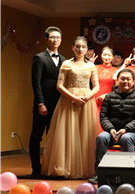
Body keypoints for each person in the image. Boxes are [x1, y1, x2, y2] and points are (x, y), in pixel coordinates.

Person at [41, 36, 99, 179]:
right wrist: (74, 98)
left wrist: (86, 97)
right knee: (68, 133)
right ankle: (66, 168)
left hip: (86, 101)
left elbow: (96, 86)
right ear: (73, 47)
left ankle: (84, 169)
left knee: (85, 134)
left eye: (83, 47)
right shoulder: (66, 64)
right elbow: (59, 86)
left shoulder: (91, 66)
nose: (80, 49)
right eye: (77, 46)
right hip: (68, 101)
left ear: (87, 49)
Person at [92, 68, 135, 181]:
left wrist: (126, 129)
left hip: (132, 133)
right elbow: (103, 117)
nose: (125, 81)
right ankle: (100, 174)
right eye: (122, 79)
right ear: (117, 81)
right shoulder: (109, 97)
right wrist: (110, 129)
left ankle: (127, 174)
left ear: (133, 81)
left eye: (128, 79)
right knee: (101, 137)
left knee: (126, 138)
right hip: (112, 132)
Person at [29, 26, 66, 177]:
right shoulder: (39, 58)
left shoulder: (64, 60)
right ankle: (36, 169)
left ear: (61, 40)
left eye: (58, 37)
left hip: (58, 104)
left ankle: (51, 168)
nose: (55, 40)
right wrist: (40, 103)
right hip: (43, 104)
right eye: (52, 37)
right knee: (37, 136)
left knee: (54, 137)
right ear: (46, 39)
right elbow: (36, 83)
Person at [94, 46, 117, 132]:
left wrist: (107, 95)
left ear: (112, 57)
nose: (106, 57)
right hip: (94, 99)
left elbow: (118, 89)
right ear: (101, 55)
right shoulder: (95, 67)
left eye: (109, 55)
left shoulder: (116, 70)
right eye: (104, 55)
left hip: (108, 100)